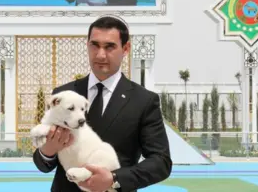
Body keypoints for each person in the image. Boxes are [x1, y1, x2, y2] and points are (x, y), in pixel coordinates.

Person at [32, 15, 172, 192]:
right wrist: (47, 151)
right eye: (95, 45)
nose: (100, 55)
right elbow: (43, 164)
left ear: (126, 48)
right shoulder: (64, 94)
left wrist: (114, 179)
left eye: (110, 47)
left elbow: (161, 162)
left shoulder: (144, 101)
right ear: (87, 45)